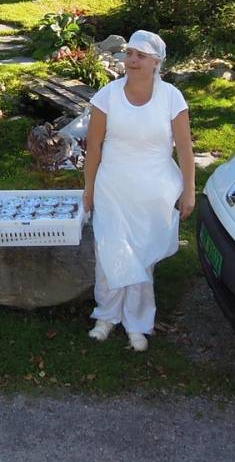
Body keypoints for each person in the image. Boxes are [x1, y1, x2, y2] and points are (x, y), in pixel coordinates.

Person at [82, 30, 195, 351]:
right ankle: (106, 316)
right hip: (113, 187)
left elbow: (185, 149)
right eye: (129, 54)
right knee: (109, 251)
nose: (131, 60)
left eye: (139, 56)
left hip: (154, 191)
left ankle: (137, 322)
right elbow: (93, 147)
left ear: (155, 62)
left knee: (143, 257)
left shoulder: (172, 97)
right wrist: (88, 189)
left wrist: (189, 191)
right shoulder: (107, 96)